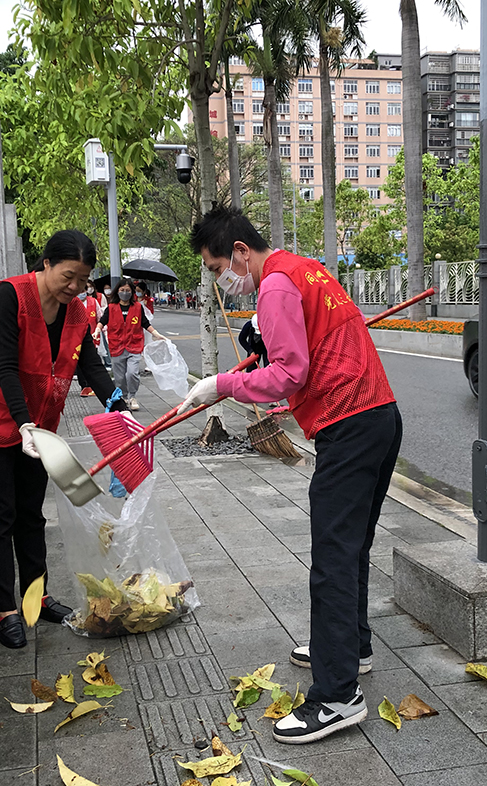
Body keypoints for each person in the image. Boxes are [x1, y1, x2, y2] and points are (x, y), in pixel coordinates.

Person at [181, 207, 401, 744]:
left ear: (238, 252)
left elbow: (290, 375)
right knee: (350, 548)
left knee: (331, 557)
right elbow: (296, 355)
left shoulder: (275, 284)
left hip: (348, 424)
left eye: (216, 270)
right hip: (379, 416)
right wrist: (247, 367)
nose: (221, 283)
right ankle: (353, 649)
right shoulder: (306, 269)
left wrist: (222, 387)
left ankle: (335, 696)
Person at [0, 230, 127, 649]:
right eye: (68, 276)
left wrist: (117, 401)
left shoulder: (77, 313)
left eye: (83, 280)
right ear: (46, 264)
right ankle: (5, 609)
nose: (74, 287)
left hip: (41, 423)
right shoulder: (9, 297)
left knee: (31, 513)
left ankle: (37, 597)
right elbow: (7, 367)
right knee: (0, 517)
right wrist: (22, 424)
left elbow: (90, 365)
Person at [94, 277, 165, 411]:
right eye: (122, 290)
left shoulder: (138, 307)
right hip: (117, 346)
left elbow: (145, 323)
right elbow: (103, 321)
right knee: (119, 377)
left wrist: (156, 334)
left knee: (132, 373)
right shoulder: (111, 308)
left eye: (127, 290)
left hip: (134, 345)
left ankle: (132, 396)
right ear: (117, 292)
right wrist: (97, 330)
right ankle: (124, 397)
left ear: (131, 292)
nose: (125, 293)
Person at [78, 281, 104, 396]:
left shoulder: (93, 302)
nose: (82, 293)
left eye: (83, 291)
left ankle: (91, 385)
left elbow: (99, 317)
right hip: (77, 337)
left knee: (92, 361)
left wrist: (102, 330)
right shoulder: (73, 302)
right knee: (79, 362)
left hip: (92, 337)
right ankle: (84, 386)